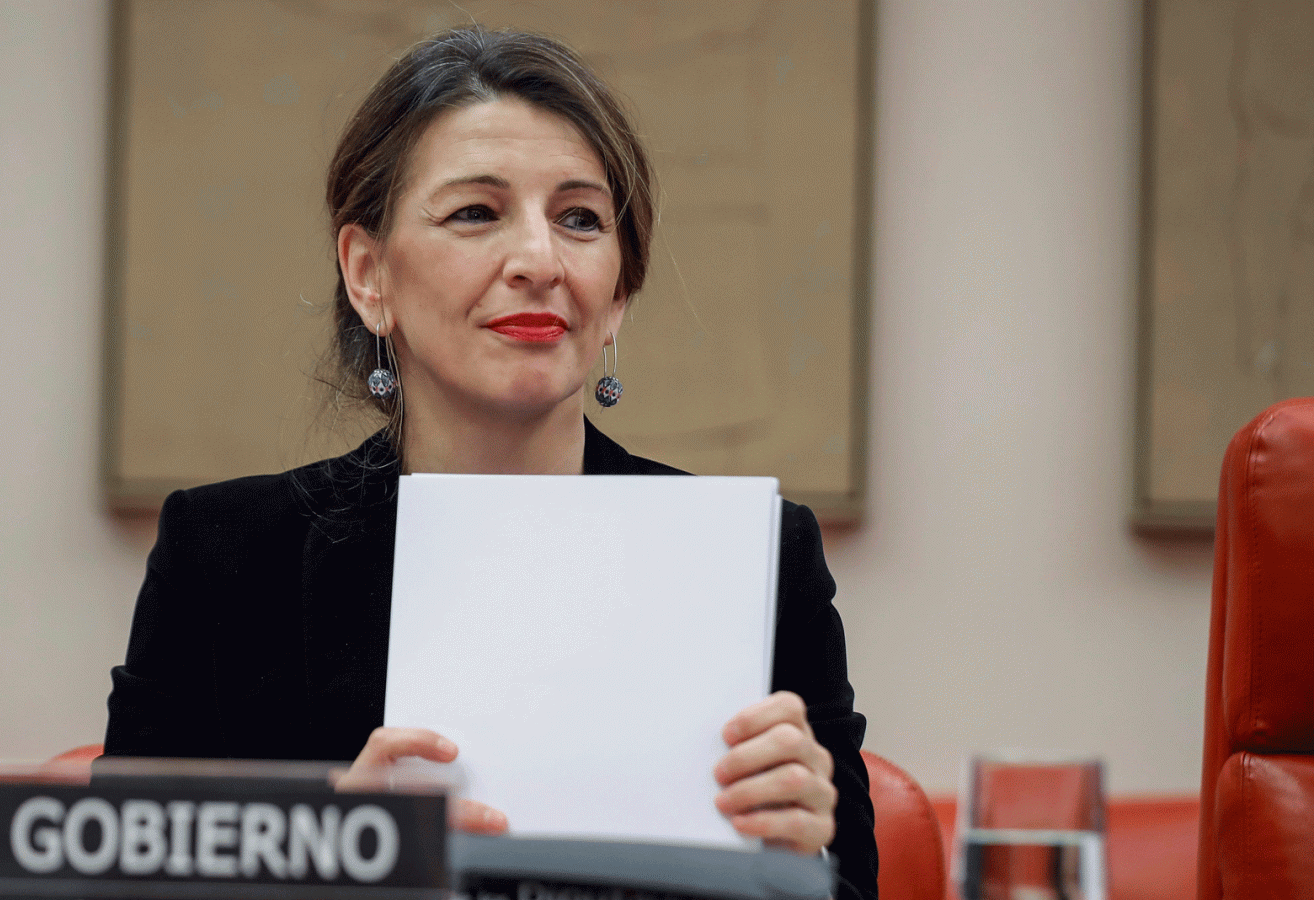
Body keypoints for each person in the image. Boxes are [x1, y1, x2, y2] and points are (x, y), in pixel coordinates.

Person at [104, 26, 877, 900]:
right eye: (476, 212)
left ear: (619, 293)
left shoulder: (758, 560)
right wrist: (328, 860)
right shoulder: (224, 558)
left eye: (580, 220)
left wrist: (798, 861)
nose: (540, 261)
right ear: (368, 274)